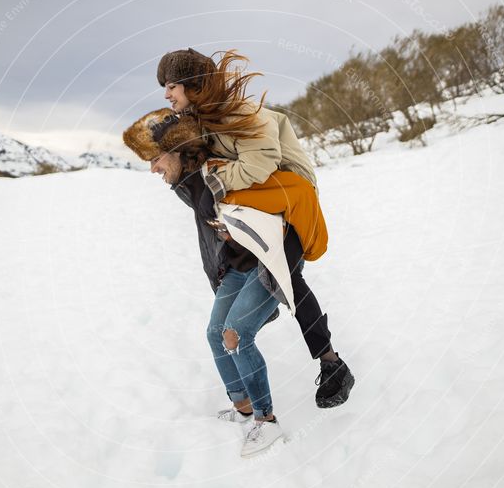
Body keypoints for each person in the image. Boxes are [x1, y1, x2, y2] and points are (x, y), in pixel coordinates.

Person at [155, 47, 354, 408]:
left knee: (286, 278)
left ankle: (333, 365)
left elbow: (260, 164)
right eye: (164, 87)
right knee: (251, 274)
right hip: (253, 208)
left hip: (288, 202)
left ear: (192, 84)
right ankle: (257, 322)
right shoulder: (202, 121)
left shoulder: (239, 112)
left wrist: (214, 177)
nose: (166, 94)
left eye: (171, 86)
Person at [123, 109, 291, 457]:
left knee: (237, 334)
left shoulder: (218, 172)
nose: (153, 168)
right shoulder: (188, 183)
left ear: (178, 150)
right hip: (234, 269)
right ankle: (242, 406)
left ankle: (266, 420)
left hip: (267, 265)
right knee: (216, 334)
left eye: (155, 159)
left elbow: (266, 197)